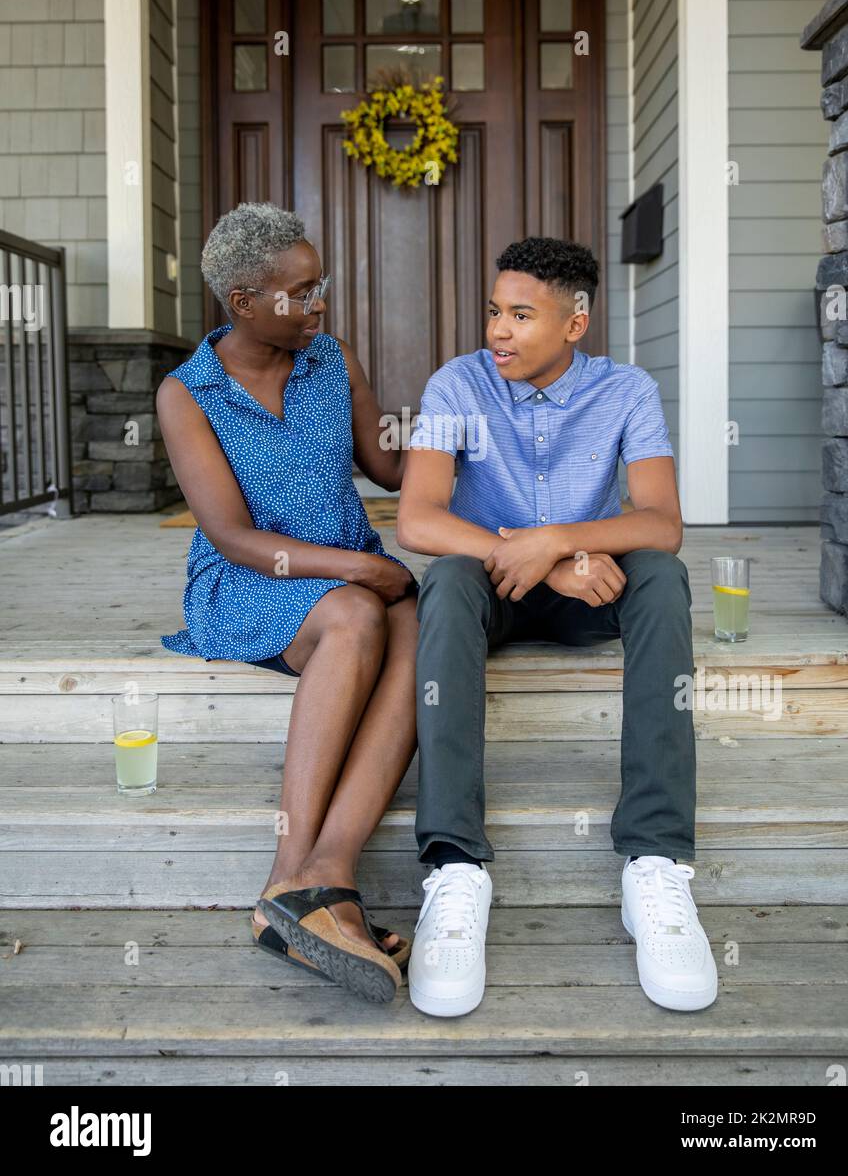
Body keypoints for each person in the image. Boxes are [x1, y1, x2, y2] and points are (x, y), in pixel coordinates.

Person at [397, 236, 717, 1017]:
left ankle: (655, 861)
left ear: (575, 324)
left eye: (520, 315)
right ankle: (454, 867)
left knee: (662, 577)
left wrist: (562, 544)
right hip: (495, 591)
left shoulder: (627, 391)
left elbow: (662, 523)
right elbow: (418, 519)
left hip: (589, 590)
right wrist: (538, 558)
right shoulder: (457, 384)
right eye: (493, 312)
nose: (496, 331)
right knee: (445, 581)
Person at [157, 202, 418, 1004]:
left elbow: (389, 465)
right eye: (300, 293)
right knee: (357, 611)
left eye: (319, 286)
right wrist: (360, 569)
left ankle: (324, 878)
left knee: (419, 618)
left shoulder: (331, 360)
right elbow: (233, 535)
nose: (319, 304)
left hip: (347, 575)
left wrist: (467, 425)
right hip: (247, 584)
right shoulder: (189, 393)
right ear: (243, 302)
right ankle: (285, 876)